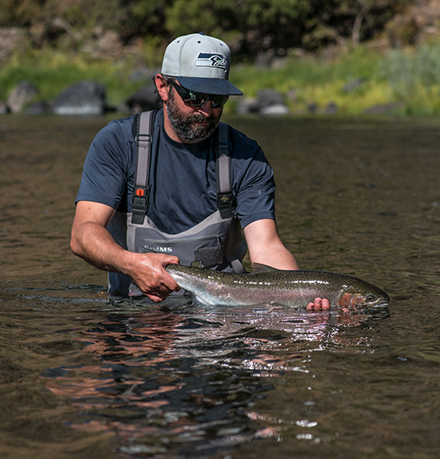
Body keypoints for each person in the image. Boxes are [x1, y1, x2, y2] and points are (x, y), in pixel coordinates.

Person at [70, 33, 330, 311]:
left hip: (221, 317)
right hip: (135, 313)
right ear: (162, 87)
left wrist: (301, 299)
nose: (206, 110)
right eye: (194, 97)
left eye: (217, 99)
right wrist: (131, 263)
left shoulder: (246, 155)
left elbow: (267, 246)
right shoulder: (119, 142)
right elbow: (83, 234)